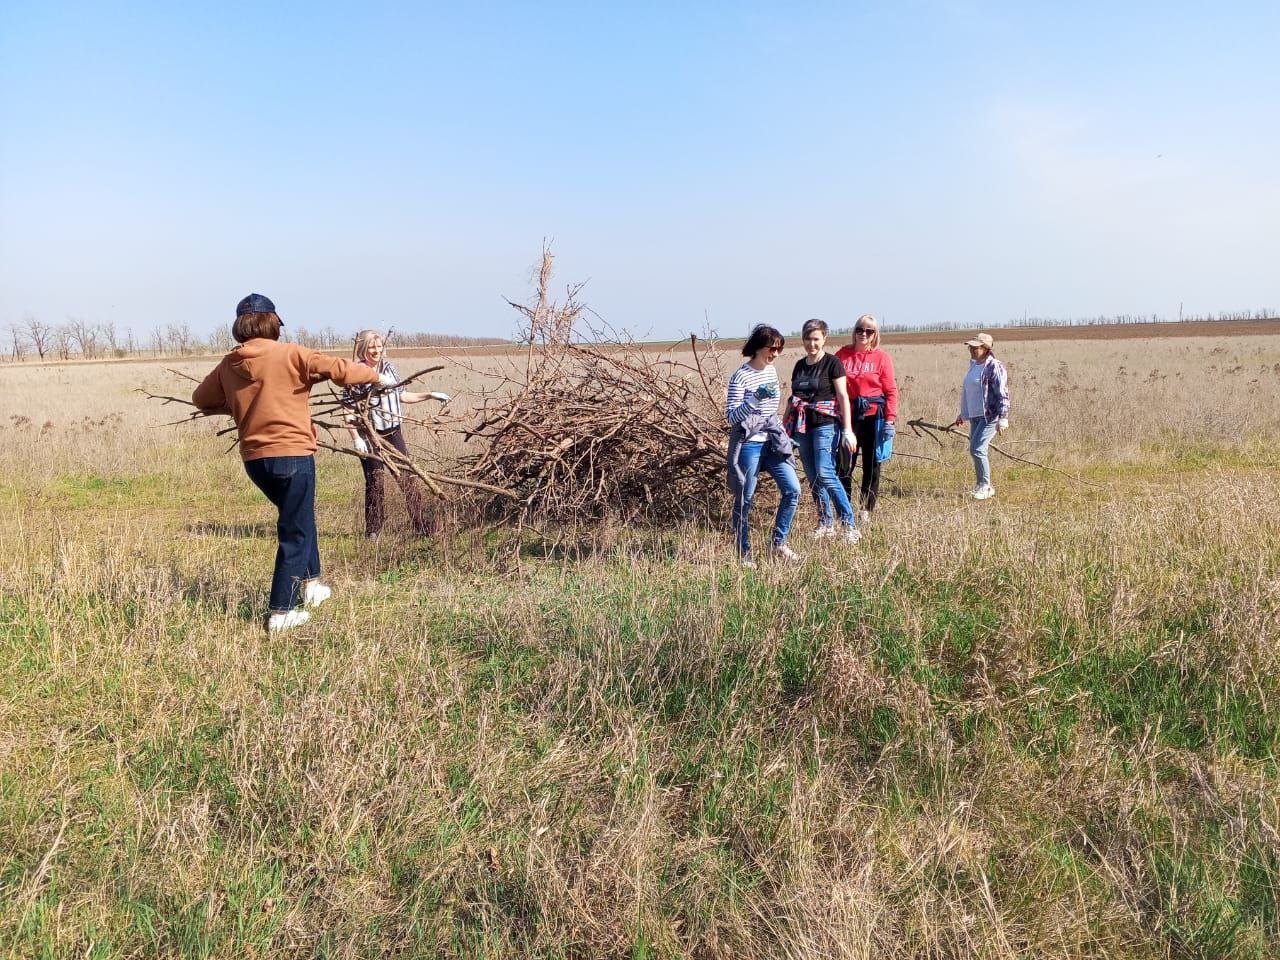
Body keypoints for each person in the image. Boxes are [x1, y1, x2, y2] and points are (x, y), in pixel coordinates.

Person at [192, 294, 392, 632]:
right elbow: (340, 369)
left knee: (299, 516)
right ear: (272, 323)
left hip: (255, 461)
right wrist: (377, 379)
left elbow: (201, 399)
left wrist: (238, 406)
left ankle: (312, 586)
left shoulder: (229, 364)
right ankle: (281, 614)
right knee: (295, 532)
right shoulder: (290, 354)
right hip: (293, 456)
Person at [342, 330, 451, 537]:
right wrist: (357, 438)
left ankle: (421, 525)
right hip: (369, 434)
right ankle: (373, 532)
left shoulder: (389, 368)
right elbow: (347, 409)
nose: (376, 350)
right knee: (375, 481)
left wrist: (430, 395)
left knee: (407, 478)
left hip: (393, 431)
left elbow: (402, 396)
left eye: (379, 346)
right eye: (371, 347)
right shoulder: (355, 372)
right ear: (363, 349)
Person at [725, 325, 802, 567]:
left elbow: (771, 412)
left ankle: (778, 544)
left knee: (793, 490)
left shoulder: (771, 372)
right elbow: (732, 417)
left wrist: (783, 434)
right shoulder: (741, 376)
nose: (776, 353)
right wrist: (755, 398)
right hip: (749, 444)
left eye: (779, 348)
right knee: (744, 499)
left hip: (772, 442)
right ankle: (743, 553)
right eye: (772, 348)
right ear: (759, 347)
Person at [785, 319, 860, 543]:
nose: (811, 343)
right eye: (808, 338)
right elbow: (794, 399)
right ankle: (825, 522)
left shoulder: (832, 363)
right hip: (801, 426)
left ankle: (849, 525)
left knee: (825, 472)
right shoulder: (799, 365)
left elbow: (843, 397)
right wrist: (784, 429)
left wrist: (847, 430)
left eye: (816, 339)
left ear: (824, 339)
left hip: (826, 424)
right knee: (812, 476)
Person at [834, 314, 899, 523]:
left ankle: (866, 510)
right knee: (844, 465)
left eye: (869, 331)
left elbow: (890, 390)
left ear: (875, 335)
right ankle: (844, 509)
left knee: (872, 465)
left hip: (874, 417)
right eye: (860, 329)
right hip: (848, 417)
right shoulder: (842, 355)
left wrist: (890, 420)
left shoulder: (882, 358)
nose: (863, 334)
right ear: (854, 331)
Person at [952, 332, 1010, 500]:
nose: (971, 349)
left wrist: (1003, 418)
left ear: (985, 349)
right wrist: (963, 414)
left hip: (990, 416)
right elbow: (969, 392)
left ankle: (986, 486)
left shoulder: (994, 366)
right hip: (975, 416)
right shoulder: (973, 365)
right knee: (975, 449)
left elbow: (1002, 393)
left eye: (975, 347)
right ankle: (980, 484)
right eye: (971, 346)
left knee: (977, 448)